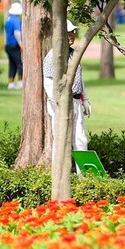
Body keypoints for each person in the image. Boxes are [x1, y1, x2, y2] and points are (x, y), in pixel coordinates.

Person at [43, 20, 90, 157]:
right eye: (68, 32)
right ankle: (59, 175)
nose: (71, 35)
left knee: (80, 138)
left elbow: (78, 78)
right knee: (60, 138)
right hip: (60, 104)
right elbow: (48, 83)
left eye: (73, 32)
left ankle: (83, 174)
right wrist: (58, 103)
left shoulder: (73, 54)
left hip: (75, 101)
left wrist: (84, 99)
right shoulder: (53, 56)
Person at [4, 2, 23, 90]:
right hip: (14, 45)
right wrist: (20, 43)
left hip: (8, 45)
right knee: (19, 63)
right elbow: (17, 32)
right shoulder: (16, 20)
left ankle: (11, 83)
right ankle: (20, 82)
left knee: (12, 64)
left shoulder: (8, 19)